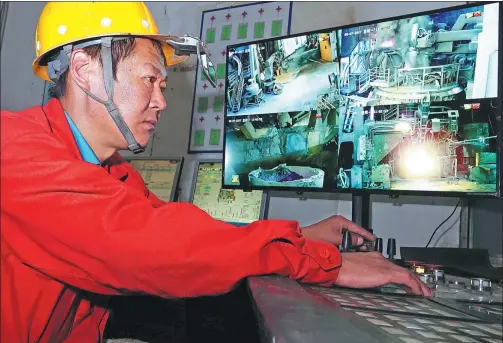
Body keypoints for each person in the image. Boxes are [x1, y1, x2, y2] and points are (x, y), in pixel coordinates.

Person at [0, 2, 433, 342]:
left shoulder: (110, 172)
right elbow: (155, 250)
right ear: (85, 71)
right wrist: (326, 265)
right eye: (150, 79)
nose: (161, 101)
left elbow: (192, 230)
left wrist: (303, 235)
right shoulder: (14, 151)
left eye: (163, 86)